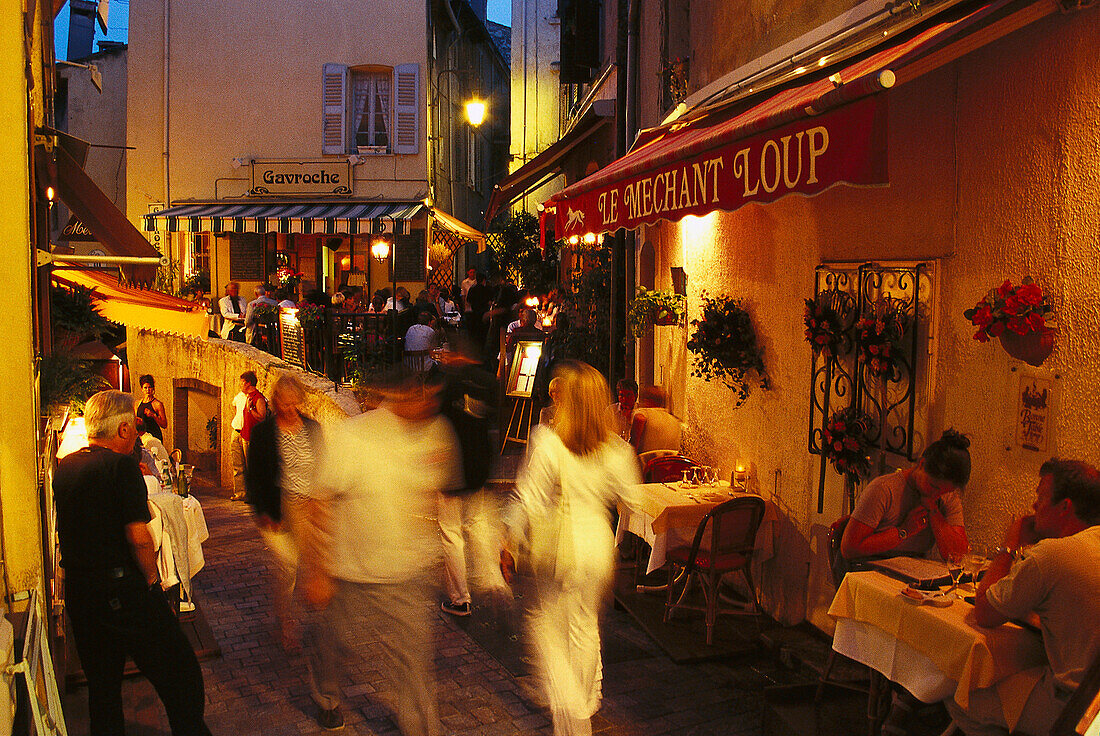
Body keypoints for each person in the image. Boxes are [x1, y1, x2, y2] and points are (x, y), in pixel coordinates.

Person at [303, 377, 461, 733]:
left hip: (409, 573)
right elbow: (320, 501)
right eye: (420, 394)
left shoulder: (438, 432)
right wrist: (317, 571)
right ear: (397, 395)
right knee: (331, 643)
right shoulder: (354, 436)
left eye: (432, 394)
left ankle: (421, 729)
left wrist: (435, 557)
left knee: (415, 663)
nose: (428, 403)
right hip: (351, 570)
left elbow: (435, 495)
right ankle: (327, 697)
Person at [53, 390, 212, 736]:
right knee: (180, 673)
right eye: (134, 429)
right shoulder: (120, 467)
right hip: (123, 590)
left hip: (82, 592)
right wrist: (154, 583)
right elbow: (138, 537)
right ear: (123, 429)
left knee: (103, 688)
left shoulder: (65, 466)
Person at [503, 361, 642, 736]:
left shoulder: (549, 443)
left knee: (546, 630)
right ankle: (584, 702)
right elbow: (632, 499)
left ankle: (572, 713)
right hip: (597, 547)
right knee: (584, 627)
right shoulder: (617, 450)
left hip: (561, 548)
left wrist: (510, 541)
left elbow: (529, 498)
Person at [944, 459, 1100, 736]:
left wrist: (1009, 544)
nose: (1034, 507)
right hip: (1094, 705)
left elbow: (985, 612)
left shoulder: (1053, 554)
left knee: (958, 691)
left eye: (1040, 498)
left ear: (1065, 507)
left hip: (1073, 707)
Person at [245, 373, 324, 650]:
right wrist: (262, 510)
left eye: (294, 403)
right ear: (276, 401)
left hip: (308, 506)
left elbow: (323, 469)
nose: (289, 408)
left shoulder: (313, 430)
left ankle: (314, 613)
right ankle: (287, 623)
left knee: (312, 565)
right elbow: (253, 474)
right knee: (287, 567)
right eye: (284, 402)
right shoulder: (264, 433)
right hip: (279, 507)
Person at [432, 352, 505, 617]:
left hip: (452, 472)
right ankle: (494, 581)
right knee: (477, 524)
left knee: (451, 533)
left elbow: (437, 428)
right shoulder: (488, 383)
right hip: (478, 469)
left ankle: (461, 598)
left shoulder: (446, 384)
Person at [839, 428, 971, 571]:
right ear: (921, 465)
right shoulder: (884, 488)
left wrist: (934, 511)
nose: (938, 495)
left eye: (947, 491)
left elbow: (958, 554)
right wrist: (904, 531)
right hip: (869, 570)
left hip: (912, 572)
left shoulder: (946, 497)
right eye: (933, 486)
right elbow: (849, 549)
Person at [230, 371, 267, 501]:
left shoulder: (257, 398)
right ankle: (243, 493)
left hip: (251, 436)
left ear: (248, 383)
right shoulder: (243, 397)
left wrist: (251, 409)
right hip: (242, 433)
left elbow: (262, 417)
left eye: (242, 382)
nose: (240, 384)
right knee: (240, 465)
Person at [628, 386, 683, 454]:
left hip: (647, 462)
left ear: (648, 400)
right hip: (670, 462)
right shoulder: (675, 421)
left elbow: (639, 419)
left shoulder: (644, 412)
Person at [136, 374, 168, 443]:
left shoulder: (157, 404)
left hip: (154, 437)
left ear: (153, 388)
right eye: (145, 388)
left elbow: (164, 425)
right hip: (141, 437)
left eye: (150, 387)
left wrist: (154, 415)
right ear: (142, 389)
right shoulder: (137, 403)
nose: (148, 390)